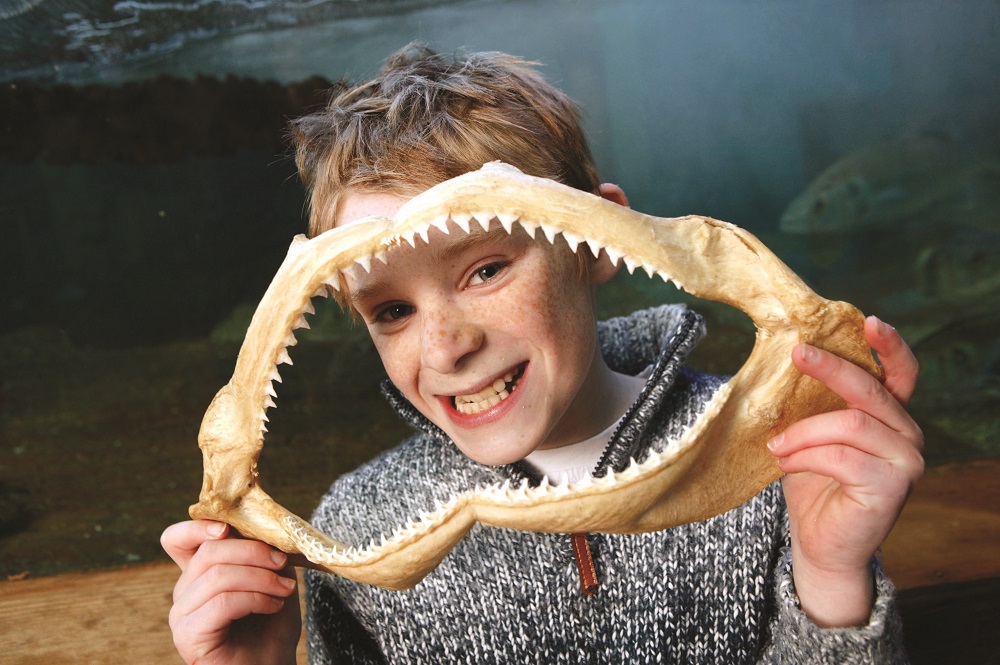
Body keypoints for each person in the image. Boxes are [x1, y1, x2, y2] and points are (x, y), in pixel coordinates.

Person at [161, 43, 924, 664]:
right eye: (392, 310)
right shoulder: (354, 526)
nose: (448, 343)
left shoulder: (779, 465)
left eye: (486, 269)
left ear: (600, 240)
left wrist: (829, 578)